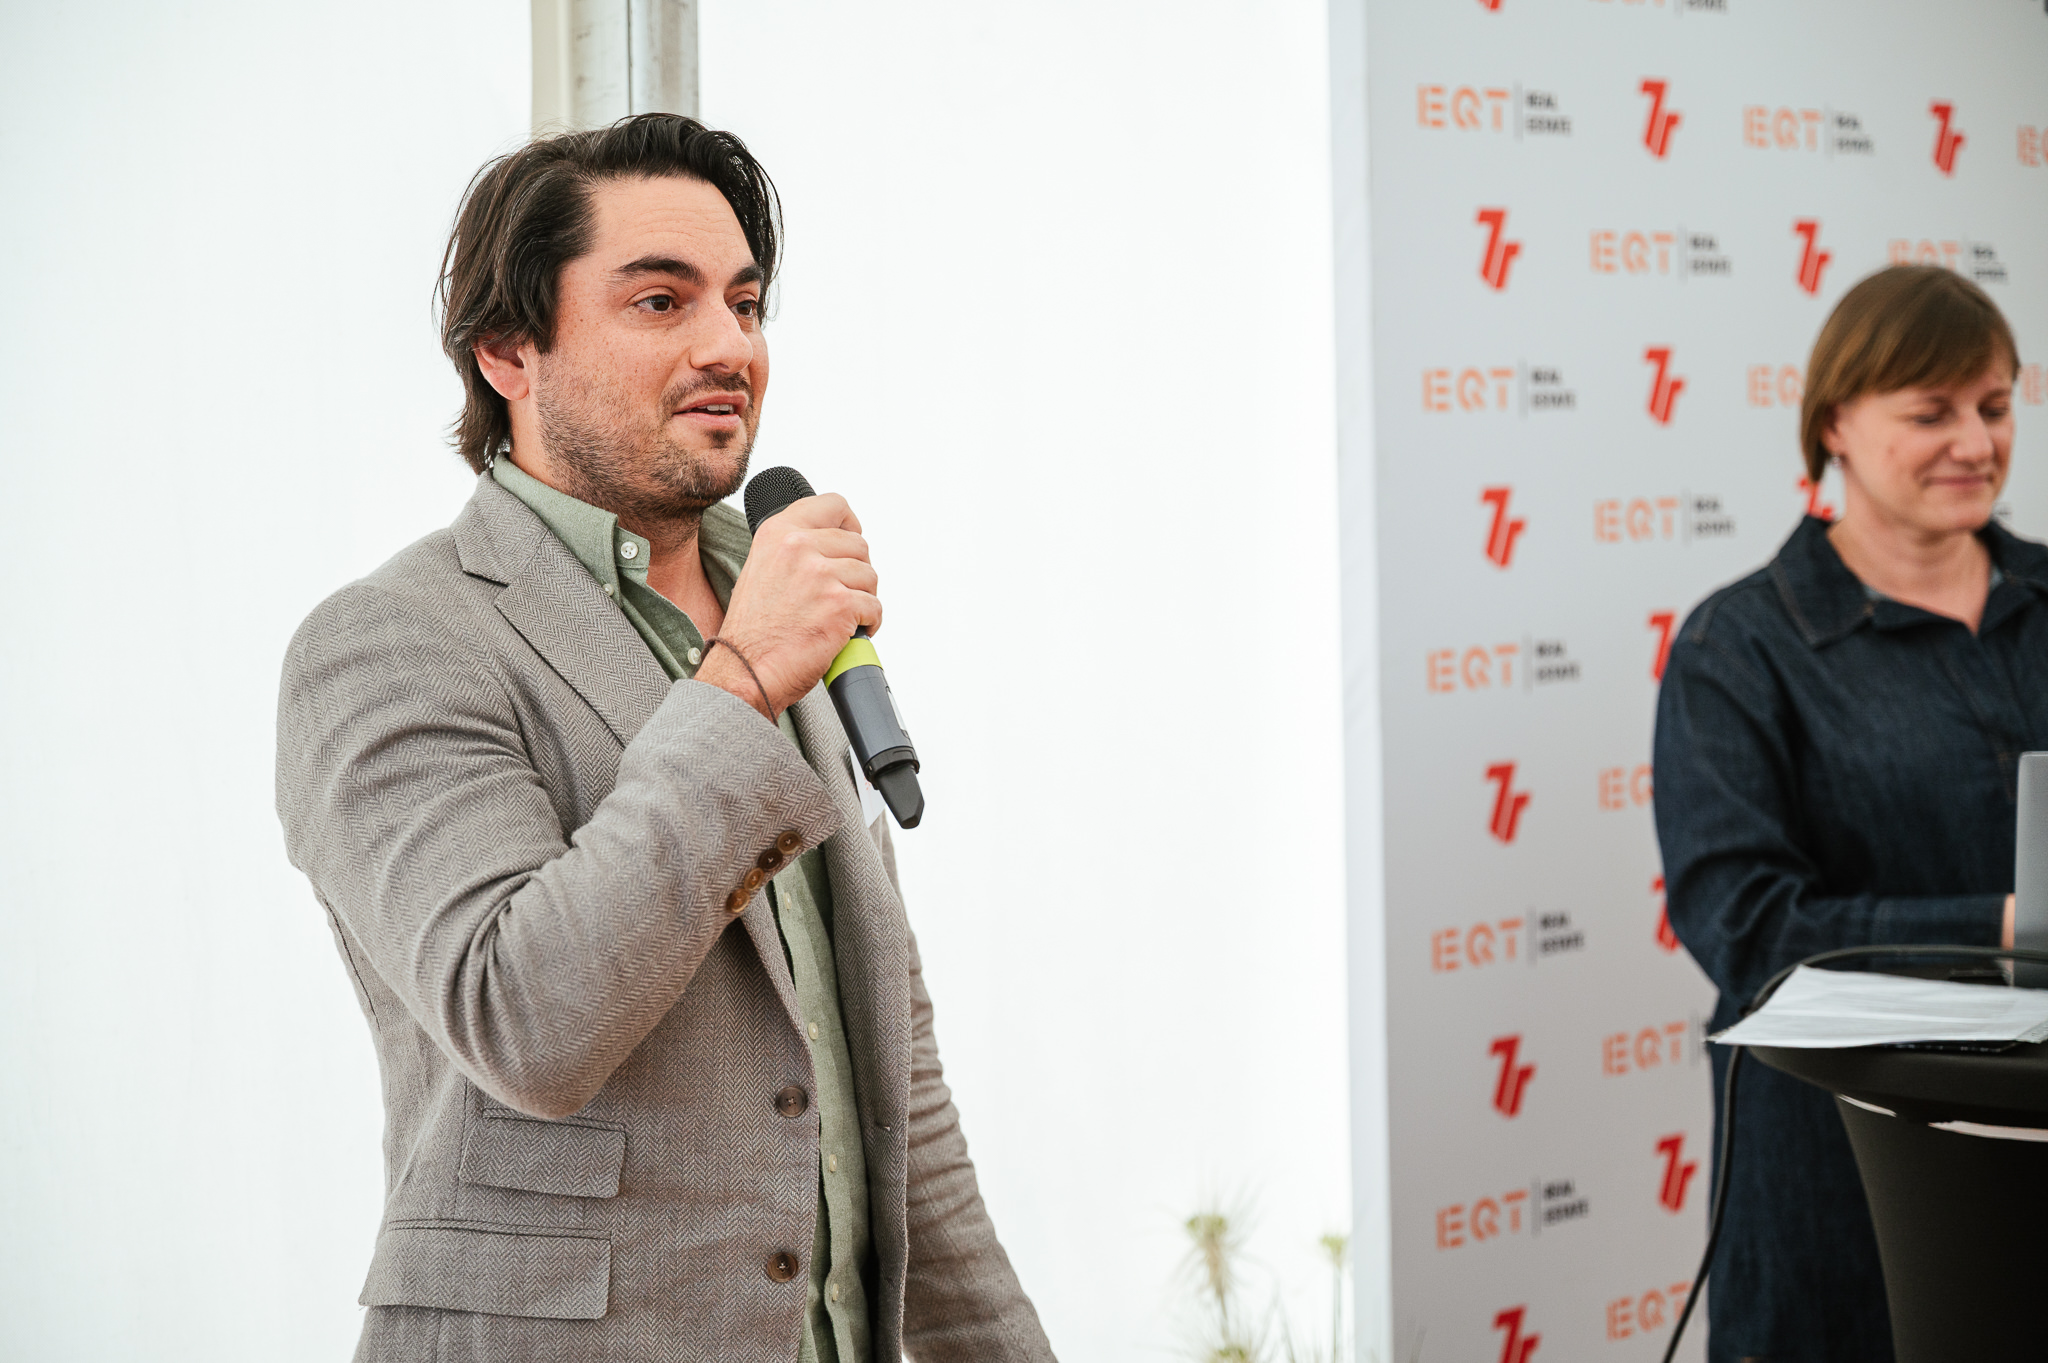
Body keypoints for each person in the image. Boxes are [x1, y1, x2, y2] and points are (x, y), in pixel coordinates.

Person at [275, 114, 1055, 1363]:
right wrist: (739, 681)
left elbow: (892, 1095)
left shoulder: (774, 605)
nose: (729, 346)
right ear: (507, 351)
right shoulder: (391, 642)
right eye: (659, 301)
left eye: (744, 304)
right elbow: (524, 1018)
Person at [1653, 264, 2032, 1363]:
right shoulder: (1738, 647)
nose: (1975, 442)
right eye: (1930, 412)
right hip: (1838, 1177)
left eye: (1994, 406)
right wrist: (2007, 928)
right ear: (1834, 424)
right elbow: (1748, 930)